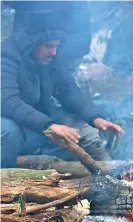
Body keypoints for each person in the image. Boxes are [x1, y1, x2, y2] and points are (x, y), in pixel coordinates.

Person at [1, 16, 124, 168]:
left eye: (56, 47)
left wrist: (95, 118)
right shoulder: (6, 57)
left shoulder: (48, 59)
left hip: (33, 121)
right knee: (8, 132)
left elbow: (67, 89)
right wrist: (48, 126)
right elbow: (7, 101)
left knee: (82, 127)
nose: (53, 52)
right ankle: (6, 180)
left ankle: (111, 172)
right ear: (32, 44)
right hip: (9, 123)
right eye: (48, 46)